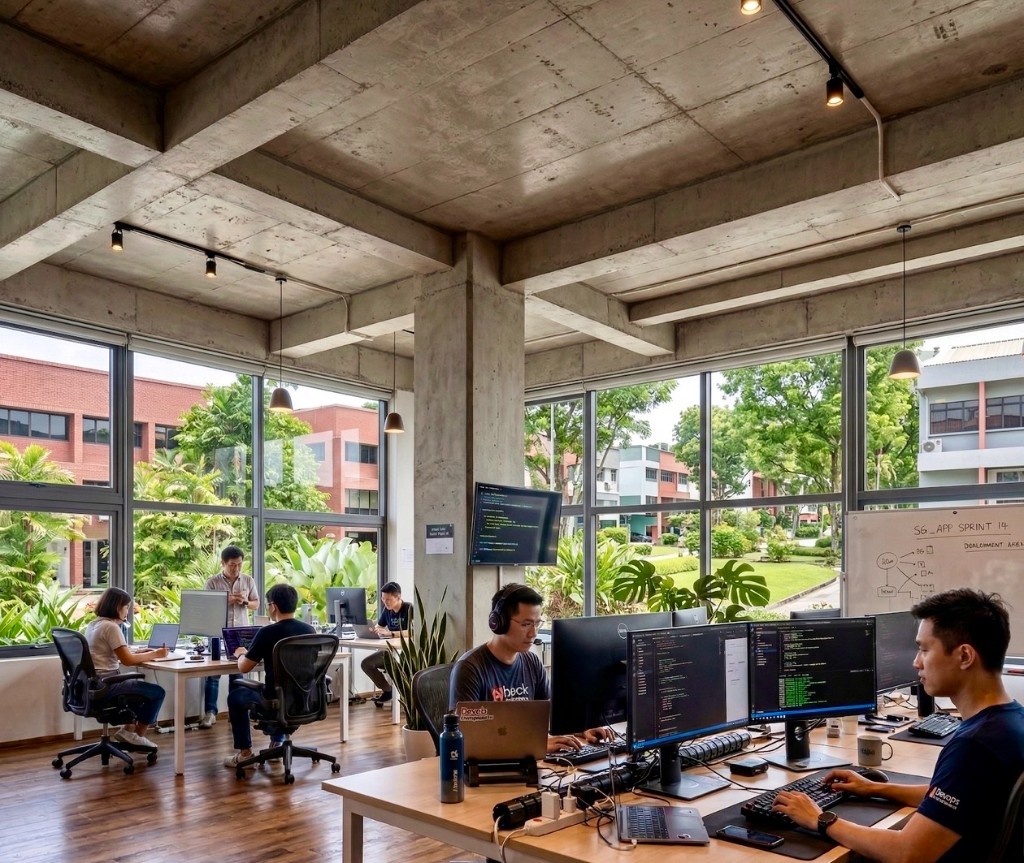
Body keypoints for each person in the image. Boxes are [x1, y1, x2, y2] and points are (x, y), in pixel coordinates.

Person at [773, 588, 1024, 863]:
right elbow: (955, 796)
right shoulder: (1010, 721)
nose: (916, 662)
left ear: (965, 656)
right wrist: (875, 788)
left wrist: (820, 819)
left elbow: (907, 853)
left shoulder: (974, 747)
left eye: (924, 649)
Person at [449, 583, 614, 755]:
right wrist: (535, 744)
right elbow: (466, 739)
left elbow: (550, 717)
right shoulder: (470, 669)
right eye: (526, 624)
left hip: (528, 761)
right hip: (488, 765)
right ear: (499, 622)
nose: (533, 633)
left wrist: (581, 729)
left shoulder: (532, 662)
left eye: (537, 624)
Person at [222, 583, 315, 769]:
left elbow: (244, 668)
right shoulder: (309, 630)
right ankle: (277, 742)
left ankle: (245, 754)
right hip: (304, 699)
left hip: (275, 700)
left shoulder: (267, 632)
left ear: (273, 606)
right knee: (279, 692)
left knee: (236, 696)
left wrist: (241, 653)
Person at [84, 587, 168, 750]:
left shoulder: (94, 624)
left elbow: (111, 653)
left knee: (139, 692)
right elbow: (127, 660)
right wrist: (156, 653)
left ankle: (128, 730)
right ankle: (136, 736)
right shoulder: (111, 627)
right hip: (107, 685)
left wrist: (139, 652)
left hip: (93, 684)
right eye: (126, 606)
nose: (127, 611)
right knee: (157, 692)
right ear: (117, 607)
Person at [199, 545, 258, 728]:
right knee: (213, 674)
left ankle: (236, 711)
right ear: (223, 563)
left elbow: (256, 604)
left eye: (239, 564)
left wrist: (245, 601)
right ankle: (210, 713)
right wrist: (230, 599)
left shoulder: (248, 580)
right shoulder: (212, 582)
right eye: (232, 565)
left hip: (240, 633)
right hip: (216, 632)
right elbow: (206, 605)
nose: (236, 568)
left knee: (237, 672)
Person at [361, 581, 412, 707]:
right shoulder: (387, 610)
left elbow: (414, 632)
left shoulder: (409, 608)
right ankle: (388, 691)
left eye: (388, 599)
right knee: (366, 664)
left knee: (395, 667)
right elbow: (380, 626)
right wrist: (375, 630)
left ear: (398, 597)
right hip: (390, 651)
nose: (385, 602)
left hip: (405, 653)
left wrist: (391, 633)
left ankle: (404, 694)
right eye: (383, 599)